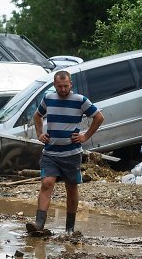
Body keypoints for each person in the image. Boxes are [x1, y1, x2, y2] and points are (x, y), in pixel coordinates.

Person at [26, 70, 104, 234]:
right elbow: (37, 115)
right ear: (54, 85)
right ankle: (39, 225)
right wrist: (40, 133)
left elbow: (99, 117)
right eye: (59, 86)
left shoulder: (80, 101)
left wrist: (86, 136)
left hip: (72, 154)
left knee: (71, 187)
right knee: (47, 184)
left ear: (71, 85)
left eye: (65, 86)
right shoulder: (48, 99)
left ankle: (69, 228)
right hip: (50, 152)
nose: (62, 89)